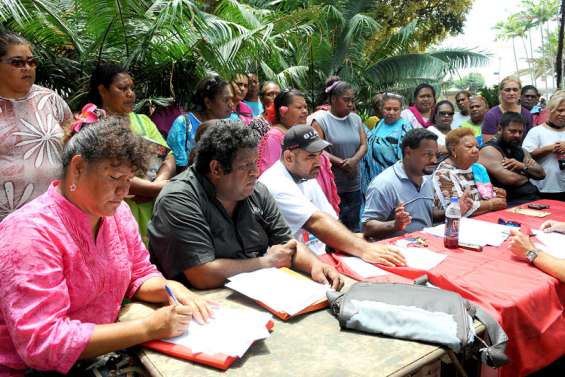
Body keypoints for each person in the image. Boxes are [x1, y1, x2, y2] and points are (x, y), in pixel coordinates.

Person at [0, 120, 211, 376]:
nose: (124, 190)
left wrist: (170, 288)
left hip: (96, 354)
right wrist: (149, 327)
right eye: (114, 178)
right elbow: (44, 343)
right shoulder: (30, 233)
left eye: (129, 179)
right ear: (77, 168)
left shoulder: (117, 214)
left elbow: (140, 273)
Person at [148, 121, 344, 290]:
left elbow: (288, 245)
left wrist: (315, 265)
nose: (255, 172)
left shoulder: (256, 191)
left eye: (255, 163)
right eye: (245, 166)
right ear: (216, 169)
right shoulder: (179, 199)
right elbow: (201, 274)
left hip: (257, 296)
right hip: (193, 311)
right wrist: (267, 262)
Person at [259, 124, 406, 266]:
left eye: (319, 155)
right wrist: (364, 249)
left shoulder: (305, 175)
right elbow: (316, 221)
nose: (318, 162)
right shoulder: (275, 183)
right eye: (310, 156)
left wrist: (356, 239)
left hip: (317, 256)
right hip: (288, 265)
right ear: (289, 157)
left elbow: (329, 218)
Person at [88, 63, 176, 243]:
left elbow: (168, 156)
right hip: (116, 209)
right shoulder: (93, 125)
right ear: (103, 91)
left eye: (131, 88)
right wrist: (152, 188)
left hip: (152, 207)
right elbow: (107, 171)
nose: (130, 94)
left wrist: (157, 184)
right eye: (122, 88)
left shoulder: (143, 121)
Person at [0, 31, 72, 221]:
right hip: (8, 217)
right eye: (17, 62)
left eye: (31, 62)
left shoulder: (50, 100)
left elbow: (73, 142)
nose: (27, 68)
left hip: (56, 212)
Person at [258, 90, 341, 214]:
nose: (304, 111)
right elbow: (277, 181)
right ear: (283, 111)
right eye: (299, 107)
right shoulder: (274, 137)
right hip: (296, 209)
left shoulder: (304, 132)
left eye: (305, 107)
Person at [362, 129, 443, 239]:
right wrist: (395, 225)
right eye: (428, 154)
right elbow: (367, 227)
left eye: (436, 155)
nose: (434, 160)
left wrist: (455, 210)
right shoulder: (384, 184)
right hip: (397, 250)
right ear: (408, 153)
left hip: (425, 245)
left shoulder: (427, 177)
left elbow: (425, 213)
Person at [312, 81, 367, 231]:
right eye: (346, 100)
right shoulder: (320, 120)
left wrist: (354, 161)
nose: (350, 104)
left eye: (352, 100)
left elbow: (364, 144)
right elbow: (317, 148)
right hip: (332, 184)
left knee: (354, 228)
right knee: (334, 229)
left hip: (353, 183)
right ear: (334, 99)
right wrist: (342, 163)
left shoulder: (355, 119)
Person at [433, 128, 507, 217]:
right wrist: (491, 204)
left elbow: (485, 195)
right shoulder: (444, 173)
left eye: (477, 146)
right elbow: (457, 209)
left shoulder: (478, 168)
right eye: (469, 147)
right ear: (453, 150)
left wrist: (496, 193)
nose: (476, 150)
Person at [167, 76, 233, 172]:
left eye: (232, 99)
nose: (231, 104)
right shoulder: (183, 124)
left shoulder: (229, 125)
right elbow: (179, 168)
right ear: (208, 102)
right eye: (226, 100)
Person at [479, 112, 545, 206]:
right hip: (509, 203)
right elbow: (511, 179)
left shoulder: (521, 149)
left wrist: (521, 166)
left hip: (533, 199)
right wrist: (529, 173)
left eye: (520, 132)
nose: (517, 135)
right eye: (512, 131)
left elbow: (541, 174)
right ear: (500, 129)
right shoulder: (488, 150)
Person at [361, 93, 412, 194]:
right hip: (371, 180)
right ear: (381, 109)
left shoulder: (405, 128)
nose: (391, 112)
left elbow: (406, 159)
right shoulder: (379, 123)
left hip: (392, 184)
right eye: (388, 109)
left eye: (395, 109)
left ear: (401, 109)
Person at [522, 94, 565, 200]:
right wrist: (549, 149)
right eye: (559, 110)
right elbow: (526, 157)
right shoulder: (537, 131)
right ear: (550, 110)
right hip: (544, 188)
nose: (563, 114)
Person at [482, 76, 533, 143]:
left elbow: (530, 141)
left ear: (520, 92)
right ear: (501, 92)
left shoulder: (527, 114)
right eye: (507, 90)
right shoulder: (491, 115)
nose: (511, 93)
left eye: (515, 90)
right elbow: (488, 144)